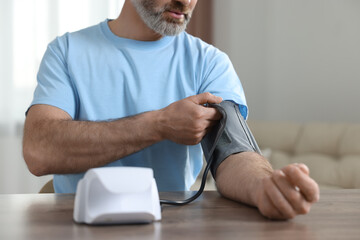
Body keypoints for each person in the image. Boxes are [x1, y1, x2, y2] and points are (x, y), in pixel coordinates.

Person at [23, 0, 319, 220]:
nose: (186, 2)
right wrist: (159, 124)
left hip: (171, 226)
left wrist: (263, 186)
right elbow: (38, 151)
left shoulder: (209, 63)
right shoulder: (67, 51)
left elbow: (232, 151)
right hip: (77, 224)